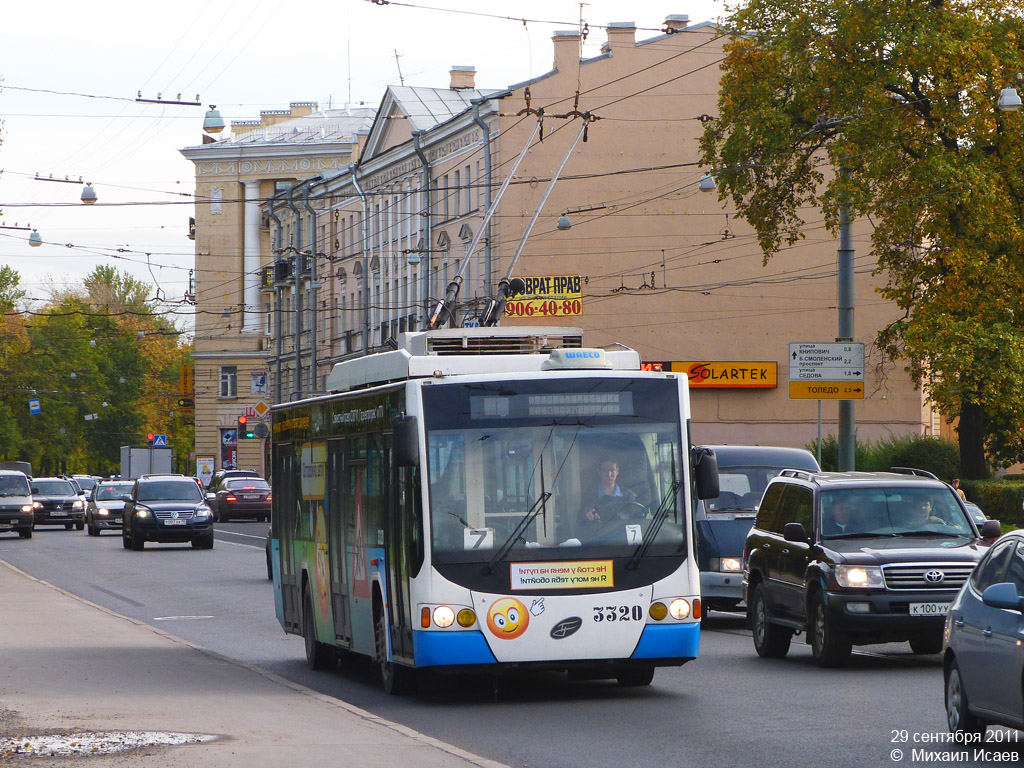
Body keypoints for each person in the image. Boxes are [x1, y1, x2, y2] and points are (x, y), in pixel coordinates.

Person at [580, 459, 642, 523]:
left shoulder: (629, 495)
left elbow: (639, 521)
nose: (609, 474)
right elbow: (581, 521)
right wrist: (589, 517)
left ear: (617, 471)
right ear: (599, 472)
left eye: (612, 470)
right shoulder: (590, 496)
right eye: (605, 470)